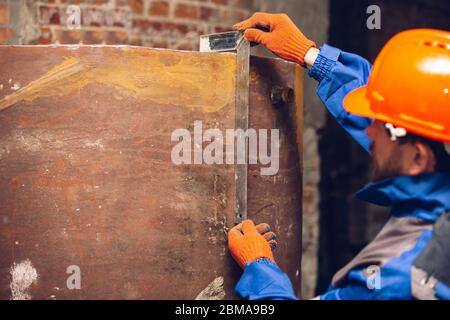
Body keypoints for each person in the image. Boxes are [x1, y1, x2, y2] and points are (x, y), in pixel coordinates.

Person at [227, 12, 450, 300]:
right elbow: (400, 105)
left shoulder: (399, 278)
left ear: (418, 159)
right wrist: (310, 56)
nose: (368, 133)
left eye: (379, 128)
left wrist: (261, 268)